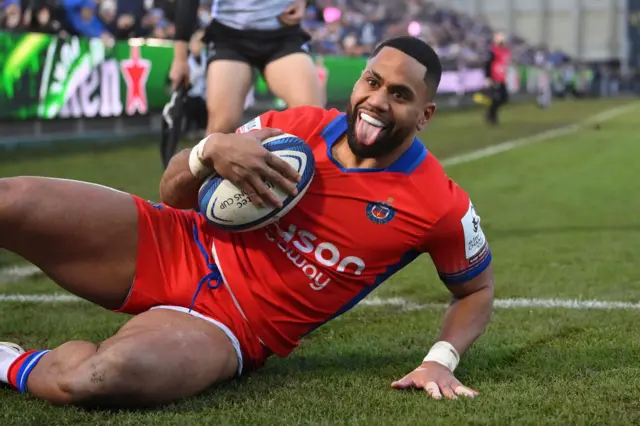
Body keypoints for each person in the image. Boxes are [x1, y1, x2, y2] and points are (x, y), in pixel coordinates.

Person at [0, 36, 494, 407]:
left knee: (100, 377)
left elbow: (476, 290)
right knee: (11, 199)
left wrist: (440, 360)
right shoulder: (294, 125)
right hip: (174, 243)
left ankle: (9, 361)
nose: (377, 101)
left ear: (425, 114)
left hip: (232, 326)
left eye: (400, 95)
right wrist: (207, 152)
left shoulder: (438, 203)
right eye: (372, 81)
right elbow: (171, 194)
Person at [168, 0, 324, 137]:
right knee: (221, 127)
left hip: (282, 33)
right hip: (229, 35)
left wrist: (303, 1)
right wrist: (180, 58)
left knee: (313, 116)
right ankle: (210, 169)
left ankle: (302, 167)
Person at [483, 32, 511, 125]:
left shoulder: (505, 51)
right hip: (495, 78)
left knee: (503, 98)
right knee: (497, 97)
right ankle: (492, 116)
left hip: (501, 78)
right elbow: (487, 64)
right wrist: (488, 77)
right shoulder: (493, 51)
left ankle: (491, 113)